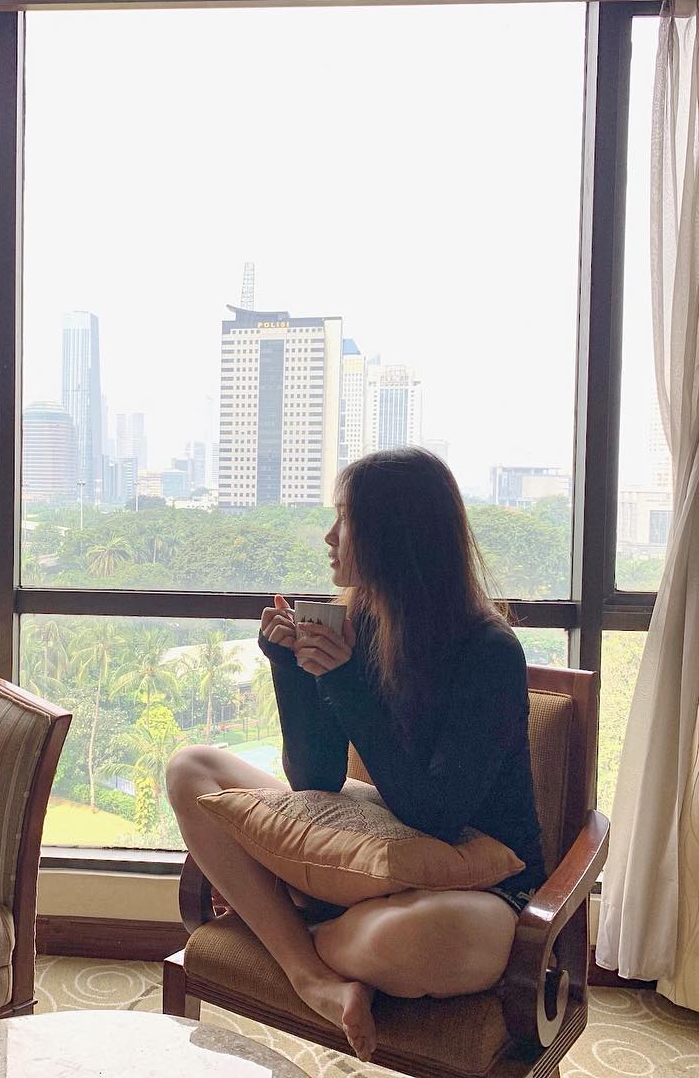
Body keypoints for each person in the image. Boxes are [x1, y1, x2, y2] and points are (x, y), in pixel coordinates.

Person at [165, 447, 545, 1059]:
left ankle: (297, 925)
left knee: (422, 937)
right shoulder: (359, 626)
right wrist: (291, 668)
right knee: (192, 769)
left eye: (344, 519)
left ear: (393, 537)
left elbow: (438, 814)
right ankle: (311, 974)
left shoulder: (489, 653)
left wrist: (344, 683)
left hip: (484, 884)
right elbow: (315, 776)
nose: (329, 536)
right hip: (377, 846)